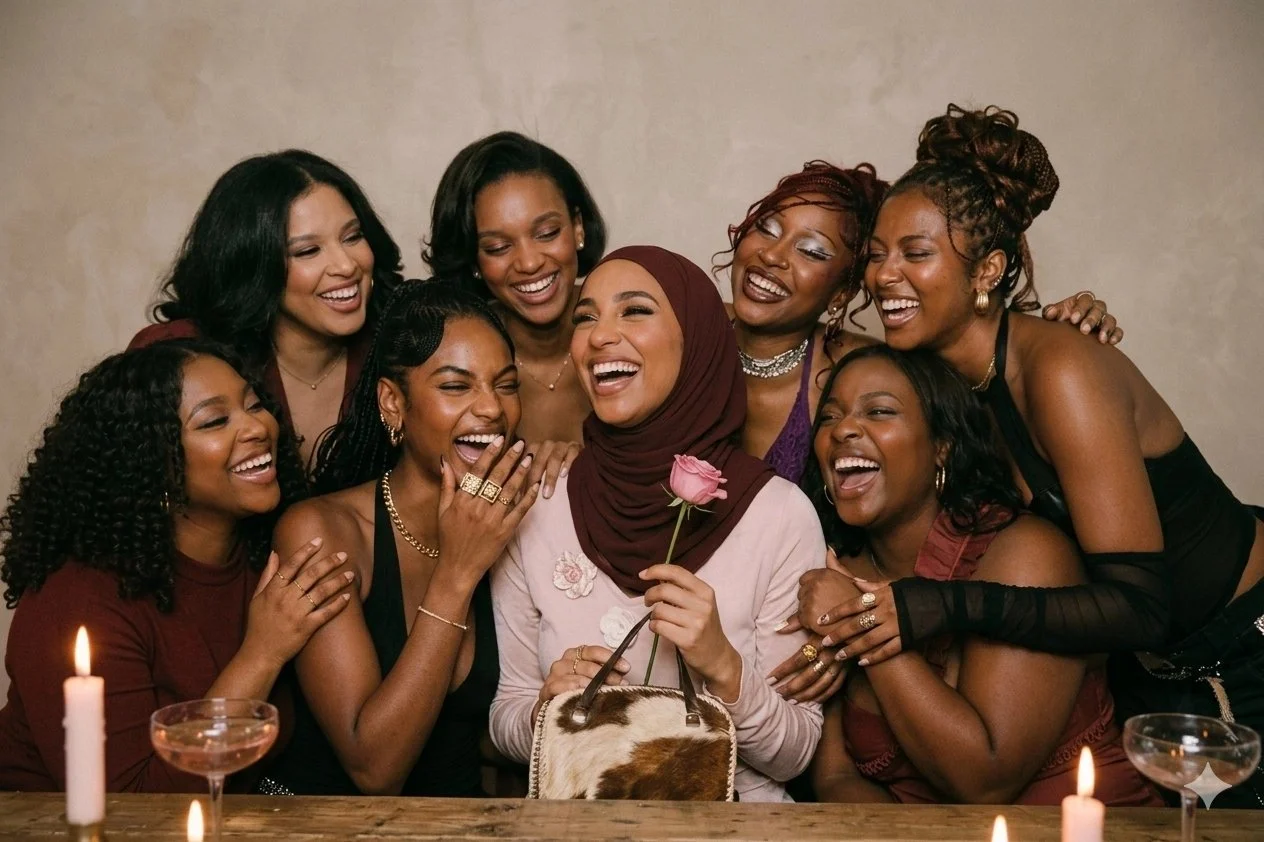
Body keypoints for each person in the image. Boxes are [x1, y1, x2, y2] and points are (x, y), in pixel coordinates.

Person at [813, 105, 1264, 808]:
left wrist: (936, 606)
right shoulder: (952, 385)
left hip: (1246, 640)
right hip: (1148, 668)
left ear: (988, 268)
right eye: (876, 254)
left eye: (916, 253)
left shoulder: (1059, 370)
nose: (884, 275)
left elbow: (1141, 605)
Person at [490, 246, 825, 802]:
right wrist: (546, 711)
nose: (600, 335)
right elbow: (506, 717)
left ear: (695, 341)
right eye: (586, 317)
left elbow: (796, 754)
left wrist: (723, 666)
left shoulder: (780, 515)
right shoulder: (540, 502)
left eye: (635, 311)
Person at [778, 345, 1158, 805]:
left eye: (879, 411)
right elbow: (835, 778)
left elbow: (986, 780)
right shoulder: (830, 569)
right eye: (829, 417)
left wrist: (859, 623)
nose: (843, 430)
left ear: (943, 446)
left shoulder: (1023, 553)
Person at [0, 340, 352, 793]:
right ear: (152, 462)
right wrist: (263, 652)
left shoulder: (269, 553)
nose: (257, 427)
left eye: (254, 404)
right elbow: (135, 805)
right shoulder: (78, 602)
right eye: (215, 421)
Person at [261, 282, 537, 796]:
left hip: (461, 825)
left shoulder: (514, 520)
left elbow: (478, 733)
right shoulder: (323, 531)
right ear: (392, 401)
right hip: (323, 826)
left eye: (506, 384)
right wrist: (458, 572)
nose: (492, 409)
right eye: (456, 387)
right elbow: (374, 768)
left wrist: (546, 711)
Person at [719, 161, 1123, 484]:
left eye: (812, 251)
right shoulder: (690, 321)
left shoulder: (864, 370)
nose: (773, 256)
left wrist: (1064, 336)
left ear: (842, 293)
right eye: (767, 228)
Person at [130, 150, 405, 467]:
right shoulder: (176, 356)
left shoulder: (405, 343)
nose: (346, 265)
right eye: (308, 251)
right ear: (254, 267)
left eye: (353, 237)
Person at [424, 132, 606, 490]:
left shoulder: (634, 328)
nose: (529, 262)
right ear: (473, 261)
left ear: (578, 227)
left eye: (547, 232)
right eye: (498, 247)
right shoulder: (452, 357)